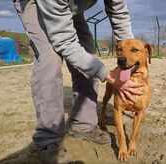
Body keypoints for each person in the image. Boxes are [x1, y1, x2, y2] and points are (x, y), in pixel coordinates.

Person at [13, 0, 143, 163]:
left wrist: (128, 59)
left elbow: (119, 13)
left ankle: (83, 125)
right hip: (38, 4)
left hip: (72, 8)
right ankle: (48, 137)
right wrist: (105, 73)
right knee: (50, 60)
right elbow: (64, 42)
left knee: (88, 55)